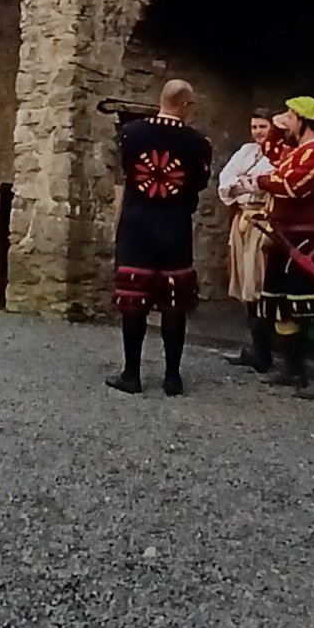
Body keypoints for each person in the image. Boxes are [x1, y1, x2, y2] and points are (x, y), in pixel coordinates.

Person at [108, 80, 212, 397]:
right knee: (173, 301)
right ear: (185, 105)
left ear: (161, 99)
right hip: (174, 226)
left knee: (134, 300)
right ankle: (172, 377)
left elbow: (128, 169)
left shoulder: (132, 133)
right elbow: (199, 181)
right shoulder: (196, 142)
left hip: (137, 225)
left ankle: (132, 373)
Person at [259, 96, 314, 401]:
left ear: (304, 120)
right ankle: (291, 368)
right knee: (282, 305)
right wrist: (276, 128)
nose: (285, 120)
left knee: (311, 307)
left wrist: (260, 181)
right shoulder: (296, 150)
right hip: (283, 237)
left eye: (290, 116)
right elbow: (270, 152)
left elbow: (292, 185)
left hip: (307, 240)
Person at [215, 109, 281, 372]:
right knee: (245, 283)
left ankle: (266, 350)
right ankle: (256, 348)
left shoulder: (279, 155)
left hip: (262, 223)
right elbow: (225, 180)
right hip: (242, 219)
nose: (257, 132)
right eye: (254, 127)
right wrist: (242, 184)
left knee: (259, 283)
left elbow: (265, 184)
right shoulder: (246, 151)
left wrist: (245, 184)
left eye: (262, 127)